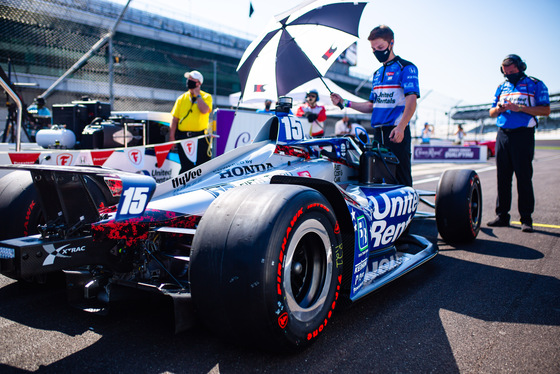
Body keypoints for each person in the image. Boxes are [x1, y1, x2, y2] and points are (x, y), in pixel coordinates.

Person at [330, 25, 419, 186]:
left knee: (401, 179)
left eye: (380, 47)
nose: (377, 52)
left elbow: (412, 101)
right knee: (377, 180)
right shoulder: (377, 74)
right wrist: (345, 102)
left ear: (391, 43)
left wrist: (401, 127)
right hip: (378, 134)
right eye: (373, 49)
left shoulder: (406, 67)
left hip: (396, 131)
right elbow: (371, 106)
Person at [487, 54, 550, 233]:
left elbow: (545, 110)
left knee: (523, 177)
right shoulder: (502, 86)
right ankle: (502, 215)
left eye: (512, 71)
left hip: (523, 134)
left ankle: (526, 218)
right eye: (506, 73)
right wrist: (500, 109)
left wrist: (519, 108)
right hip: (503, 135)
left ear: (521, 67)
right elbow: (491, 112)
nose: (509, 75)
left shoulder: (535, 84)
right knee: (502, 177)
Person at [169, 70, 213, 173]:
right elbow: (175, 119)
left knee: (202, 165)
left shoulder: (206, 97)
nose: (189, 81)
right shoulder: (181, 98)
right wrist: (171, 137)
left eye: (192, 79)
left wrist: (198, 96)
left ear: (199, 83)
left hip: (200, 137)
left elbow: (204, 110)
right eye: (189, 79)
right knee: (185, 167)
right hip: (183, 137)